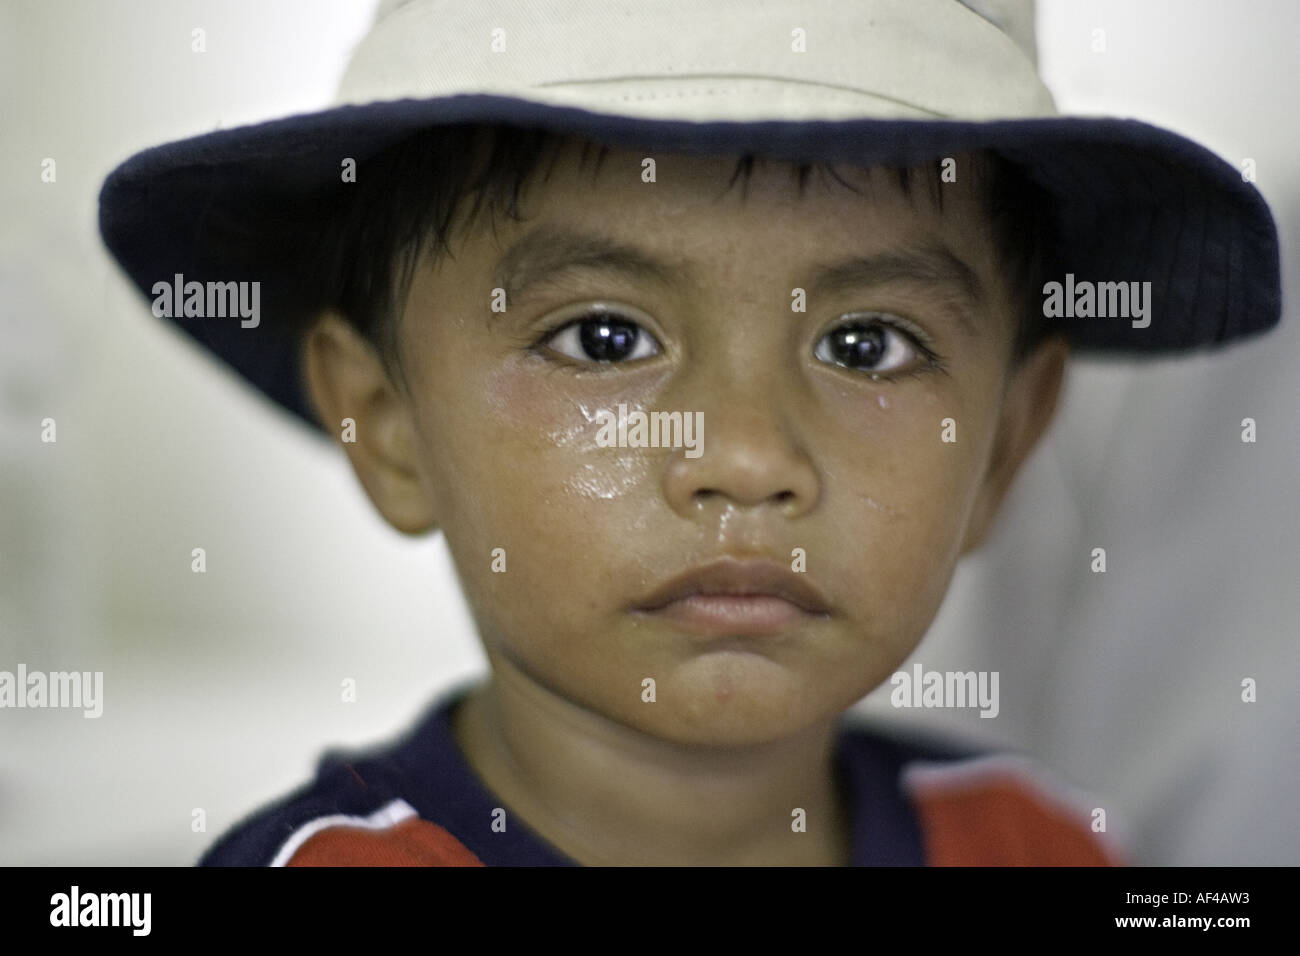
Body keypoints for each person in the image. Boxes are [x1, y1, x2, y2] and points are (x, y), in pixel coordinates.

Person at [97, 0, 1281, 866]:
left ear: (1004, 446)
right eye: (602, 340)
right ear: (388, 424)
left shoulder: (1043, 848)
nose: (749, 457)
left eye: (866, 346)